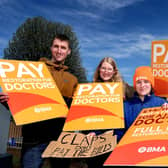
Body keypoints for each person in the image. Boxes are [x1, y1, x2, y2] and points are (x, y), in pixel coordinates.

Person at [21, 34, 78, 168]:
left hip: (60, 139)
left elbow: (77, 108)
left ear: (68, 51)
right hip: (34, 137)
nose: (59, 51)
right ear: (51, 48)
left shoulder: (72, 80)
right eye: (56, 46)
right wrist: (7, 100)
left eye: (63, 48)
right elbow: (22, 99)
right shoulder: (33, 70)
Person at [79, 57, 134, 168]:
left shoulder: (125, 88)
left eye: (109, 69)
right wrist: (90, 132)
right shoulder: (90, 89)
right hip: (95, 138)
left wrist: (162, 103)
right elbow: (87, 114)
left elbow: (142, 95)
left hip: (115, 137)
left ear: (114, 71)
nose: (106, 71)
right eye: (103, 68)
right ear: (99, 70)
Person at [114, 66, 168, 142]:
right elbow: (119, 132)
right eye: (139, 82)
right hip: (131, 147)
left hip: (155, 148)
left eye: (146, 81)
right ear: (135, 85)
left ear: (151, 84)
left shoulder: (161, 103)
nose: (142, 85)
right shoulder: (125, 106)